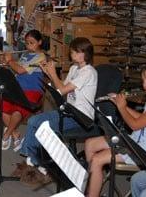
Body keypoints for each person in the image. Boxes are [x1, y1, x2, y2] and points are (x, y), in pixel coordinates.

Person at [14, 37, 98, 187]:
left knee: (39, 124)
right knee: (35, 121)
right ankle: (33, 161)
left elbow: (62, 90)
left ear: (87, 54)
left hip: (81, 117)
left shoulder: (89, 72)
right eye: (73, 52)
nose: (74, 56)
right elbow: (60, 89)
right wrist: (48, 74)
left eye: (79, 53)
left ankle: (38, 163)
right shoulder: (74, 68)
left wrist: (53, 74)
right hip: (69, 111)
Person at [84, 64, 146, 197]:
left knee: (97, 160)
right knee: (90, 144)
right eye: (143, 81)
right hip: (135, 140)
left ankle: (92, 190)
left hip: (143, 152)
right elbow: (142, 118)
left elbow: (135, 125)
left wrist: (122, 107)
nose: (144, 85)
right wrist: (117, 103)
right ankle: (95, 180)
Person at [0, 29, 45, 152]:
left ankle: (6, 135)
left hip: (32, 90)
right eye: (27, 43)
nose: (28, 46)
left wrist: (10, 61)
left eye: (32, 43)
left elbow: (21, 70)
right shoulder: (25, 55)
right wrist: (5, 62)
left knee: (18, 110)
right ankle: (15, 134)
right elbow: (16, 70)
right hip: (18, 87)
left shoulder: (41, 57)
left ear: (40, 42)